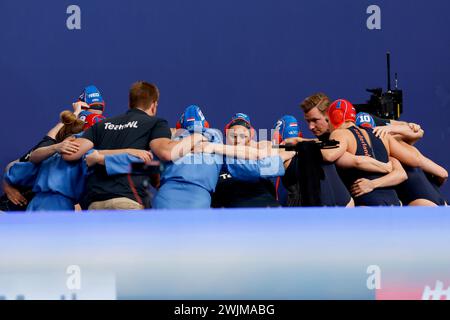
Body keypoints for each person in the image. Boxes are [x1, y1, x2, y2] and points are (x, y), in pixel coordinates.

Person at [62, 81, 206, 210]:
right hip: (128, 202)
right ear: (154, 105)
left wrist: (74, 117)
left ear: (130, 103)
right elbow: (167, 152)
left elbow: (69, 153)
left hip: (96, 203)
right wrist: (198, 136)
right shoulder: (155, 123)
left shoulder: (102, 124)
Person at [0, 85, 105, 211]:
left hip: (33, 210)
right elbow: (13, 168)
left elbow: (14, 172)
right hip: (14, 209)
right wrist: (8, 187)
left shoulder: (75, 155)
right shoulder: (50, 150)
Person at [273, 115, 394, 207]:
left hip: (316, 210)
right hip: (346, 204)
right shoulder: (328, 148)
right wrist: (384, 166)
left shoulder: (278, 156)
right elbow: (357, 160)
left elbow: (357, 161)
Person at [322, 99, 422, 206]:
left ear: (336, 117)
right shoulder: (381, 134)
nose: (328, 127)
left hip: (368, 204)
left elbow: (329, 156)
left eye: (328, 121)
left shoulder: (341, 133)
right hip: (393, 203)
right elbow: (415, 160)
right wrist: (396, 130)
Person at [356, 112, 447, 206]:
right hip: (440, 201)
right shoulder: (412, 150)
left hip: (421, 203)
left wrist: (371, 184)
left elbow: (401, 175)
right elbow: (443, 174)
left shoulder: (386, 151)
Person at [209, 113, 294, 208]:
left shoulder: (261, 152)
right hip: (229, 214)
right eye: (233, 135)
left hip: (267, 210)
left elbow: (287, 149)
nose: (238, 140)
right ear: (226, 137)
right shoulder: (217, 159)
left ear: (250, 139)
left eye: (243, 136)